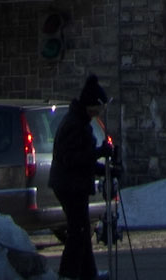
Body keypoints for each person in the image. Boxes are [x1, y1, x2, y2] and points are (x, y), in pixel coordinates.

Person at [50, 74, 113, 279]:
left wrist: (103, 169)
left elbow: (83, 160)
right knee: (77, 231)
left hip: (75, 183)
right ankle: (69, 273)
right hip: (69, 185)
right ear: (91, 106)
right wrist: (98, 153)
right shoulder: (74, 124)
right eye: (100, 108)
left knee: (83, 230)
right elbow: (72, 159)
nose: (101, 112)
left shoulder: (81, 121)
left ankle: (88, 273)